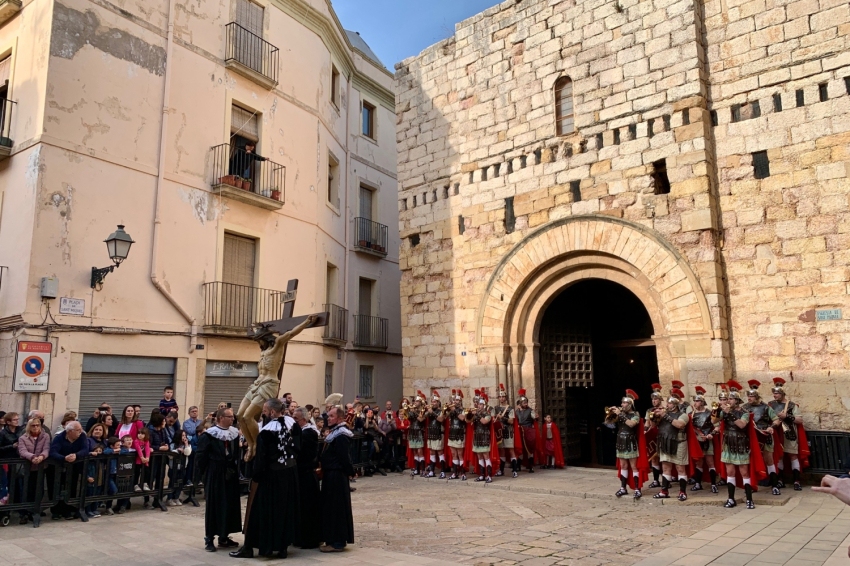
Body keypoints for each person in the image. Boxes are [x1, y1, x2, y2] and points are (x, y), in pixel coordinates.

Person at [237, 316, 317, 460]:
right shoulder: (263, 352)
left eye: (259, 339)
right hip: (257, 384)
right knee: (240, 416)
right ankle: (250, 444)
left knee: (248, 416)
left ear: (265, 338)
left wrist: (307, 322)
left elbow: (291, 333)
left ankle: (257, 445)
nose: (257, 342)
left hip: (269, 384)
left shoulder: (278, 345)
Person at [231, 398, 301, 558]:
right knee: (284, 511)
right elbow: (298, 447)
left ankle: (263, 546)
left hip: (271, 478)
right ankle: (282, 546)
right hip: (289, 473)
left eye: (264, 410)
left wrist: (255, 476)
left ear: (272, 412)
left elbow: (262, 458)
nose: (262, 413)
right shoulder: (293, 425)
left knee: (263, 512)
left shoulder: (266, 432)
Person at [196, 407, 241, 552]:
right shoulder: (209, 436)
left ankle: (224, 535)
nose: (233, 419)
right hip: (215, 473)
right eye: (230, 417)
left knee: (229, 503)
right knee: (215, 504)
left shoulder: (234, 434)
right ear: (221, 418)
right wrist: (206, 475)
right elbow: (201, 457)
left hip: (230, 473)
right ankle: (209, 538)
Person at [712, 380, 756, 509]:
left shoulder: (744, 413)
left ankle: (749, 499)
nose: (728, 401)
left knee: (744, 473)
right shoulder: (724, 411)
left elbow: (742, 425)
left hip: (740, 443)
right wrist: (717, 410)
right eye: (728, 399)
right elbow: (713, 420)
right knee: (730, 472)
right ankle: (731, 499)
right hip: (728, 444)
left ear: (736, 401)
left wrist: (729, 413)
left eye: (731, 399)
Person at [319, 406, 355, 553]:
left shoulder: (341, 435)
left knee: (337, 509)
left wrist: (350, 472)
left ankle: (337, 541)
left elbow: (343, 457)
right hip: (330, 475)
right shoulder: (334, 433)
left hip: (337, 476)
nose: (329, 418)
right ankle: (331, 539)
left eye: (332, 416)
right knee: (330, 508)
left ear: (340, 418)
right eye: (328, 416)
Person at [769, 376, 808, 491]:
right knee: (779, 456)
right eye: (774, 393)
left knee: (792, 455)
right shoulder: (770, 405)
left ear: (782, 394)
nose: (775, 395)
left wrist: (787, 416)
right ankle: (780, 480)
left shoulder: (792, 405)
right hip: (776, 432)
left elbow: (799, 420)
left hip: (789, 432)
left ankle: (796, 480)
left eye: (777, 394)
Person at [743, 380, 782, 495]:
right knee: (749, 462)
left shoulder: (766, 408)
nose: (749, 398)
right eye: (748, 396)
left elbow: (776, 420)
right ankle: (751, 486)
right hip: (750, 437)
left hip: (764, 436)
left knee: (769, 461)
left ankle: (774, 485)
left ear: (757, 397)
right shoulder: (744, 408)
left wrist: (772, 427)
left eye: (751, 396)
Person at [651, 388, 691, 501]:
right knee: (665, 467)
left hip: (679, 443)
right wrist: (654, 417)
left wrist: (665, 416)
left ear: (675, 405)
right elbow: (653, 426)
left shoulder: (683, 415)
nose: (667, 405)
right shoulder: (663, 414)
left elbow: (680, 425)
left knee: (680, 468)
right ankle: (664, 491)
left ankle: (682, 492)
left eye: (669, 403)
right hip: (665, 442)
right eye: (667, 402)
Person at [294, 407, 322, 549]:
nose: (293, 421)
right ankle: (300, 536)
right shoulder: (301, 432)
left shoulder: (308, 433)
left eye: (296, 419)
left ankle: (309, 538)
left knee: (308, 507)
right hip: (301, 474)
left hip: (307, 474)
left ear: (304, 420)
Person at [48, 421, 88, 519]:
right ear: (69, 431)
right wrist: (64, 458)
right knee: (55, 488)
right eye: (78, 430)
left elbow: (85, 449)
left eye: (80, 429)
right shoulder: (59, 438)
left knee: (71, 487)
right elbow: (53, 452)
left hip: (73, 467)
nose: (80, 431)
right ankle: (55, 511)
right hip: (57, 467)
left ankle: (68, 510)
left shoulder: (82, 436)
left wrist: (76, 455)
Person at [17, 418, 50, 524]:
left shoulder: (45, 436)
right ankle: (25, 512)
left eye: (37, 425)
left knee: (38, 489)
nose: (35, 427)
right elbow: (22, 451)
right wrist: (32, 457)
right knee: (26, 490)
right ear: (29, 426)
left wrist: (41, 457)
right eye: (33, 425)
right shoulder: (23, 438)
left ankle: (36, 510)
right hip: (27, 468)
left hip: (40, 467)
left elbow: (46, 448)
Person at [612, 390, 645, 499]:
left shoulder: (635, 414)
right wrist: (612, 414)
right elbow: (608, 422)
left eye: (625, 403)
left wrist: (620, 414)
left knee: (634, 466)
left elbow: (631, 424)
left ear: (630, 404)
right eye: (622, 403)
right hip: (620, 440)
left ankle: (637, 489)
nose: (622, 405)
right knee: (623, 466)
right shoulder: (621, 414)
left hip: (631, 441)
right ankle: (623, 488)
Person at [690, 386, 719, 493]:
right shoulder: (691, 414)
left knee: (710, 462)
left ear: (702, 402)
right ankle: (698, 483)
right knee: (698, 463)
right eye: (694, 401)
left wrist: (711, 434)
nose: (695, 403)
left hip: (707, 440)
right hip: (697, 441)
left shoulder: (710, 413)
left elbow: (717, 426)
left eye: (697, 401)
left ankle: (713, 484)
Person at [471, 393, 497, 483]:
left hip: (485, 436)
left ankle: (489, 475)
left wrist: (477, 414)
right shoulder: (475, 413)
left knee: (486, 456)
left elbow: (484, 421)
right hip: (477, 436)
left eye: (481, 404)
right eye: (478, 404)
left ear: (484, 405)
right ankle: (481, 475)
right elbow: (468, 420)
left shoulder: (487, 414)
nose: (479, 406)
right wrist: (470, 415)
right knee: (479, 456)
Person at [495, 384, 519, 478]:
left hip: (508, 431)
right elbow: (494, 419)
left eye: (503, 396)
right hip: (500, 432)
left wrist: (503, 418)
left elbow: (511, 421)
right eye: (500, 396)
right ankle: (501, 470)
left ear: (505, 397)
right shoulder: (496, 408)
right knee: (501, 451)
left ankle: (514, 470)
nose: (501, 398)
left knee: (511, 450)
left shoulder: (510, 408)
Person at [446, 389, 470, 480]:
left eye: (458, 400)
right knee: (453, 453)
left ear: (461, 401)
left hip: (459, 434)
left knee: (460, 454)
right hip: (452, 434)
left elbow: (463, 418)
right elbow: (444, 416)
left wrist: (455, 410)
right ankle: (455, 472)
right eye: (455, 400)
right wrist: (447, 409)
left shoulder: (463, 410)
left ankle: (463, 473)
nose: (456, 402)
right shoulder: (451, 410)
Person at [424, 391, 447, 478]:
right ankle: (432, 471)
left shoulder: (441, 411)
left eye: (434, 402)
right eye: (432, 402)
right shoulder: (429, 411)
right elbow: (421, 418)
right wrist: (425, 410)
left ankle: (442, 471)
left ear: (438, 403)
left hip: (438, 433)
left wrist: (432, 413)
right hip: (431, 434)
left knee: (440, 452)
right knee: (432, 452)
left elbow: (441, 419)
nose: (433, 403)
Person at [645, 383, 664, 487]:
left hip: (663, 435)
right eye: (652, 399)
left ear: (660, 399)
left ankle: (667, 480)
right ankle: (656, 480)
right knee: (654, 458)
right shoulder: (649, 411)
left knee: (665, 459)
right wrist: (644, 432)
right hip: (653, 436)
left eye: (656, 399)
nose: (654, 401)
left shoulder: (665, 410)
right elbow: (647, 424)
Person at [516, 389, 539, 472]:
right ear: (521, 403)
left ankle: (531, 465)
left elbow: (535, 418)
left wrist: (536, 417)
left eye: (526, 402)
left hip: (528, 431)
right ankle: (518, 465)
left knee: (530, 449)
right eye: (523, 402)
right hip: (520, 431)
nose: (525, 403)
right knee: (520, 448)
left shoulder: (530, 411)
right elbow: (517, 421)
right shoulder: (517, 411)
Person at [167, 430, 192, 506]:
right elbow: (170, 455)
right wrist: (177, 450)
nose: (184, 437)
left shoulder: (187, 445)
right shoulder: (173, 444)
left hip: (182, 467)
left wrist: (186, 444)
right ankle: (170, 498)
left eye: (185, 435)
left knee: (180, 483)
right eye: (182, 435)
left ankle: (176, 497)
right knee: (172, 483)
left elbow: (188, 453)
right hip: (173, 467)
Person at [406, 392, 428, 476]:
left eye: (417, 401)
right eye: (415, 401)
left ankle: (423, 469)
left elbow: (421, 419)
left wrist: (414, 411)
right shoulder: (412, 410)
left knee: (420, 451)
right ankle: (416, 469)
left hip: (419, 431)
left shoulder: (423, 410)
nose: (415, 403)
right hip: (412, 431)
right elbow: (407, 417)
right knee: (415, 451)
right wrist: (408, 410)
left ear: (421, 403)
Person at [183, 406, 202, 485]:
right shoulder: (186, 423)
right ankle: (188, 480)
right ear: (189, 413)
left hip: (200, 445)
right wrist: (199, 429)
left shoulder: (201, 421)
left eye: (196, 411)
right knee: (190, 465)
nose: (194, 412)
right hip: (191, 446)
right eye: (193, 411)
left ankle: (198, 480)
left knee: (199, 465)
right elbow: (191, 431)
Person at [132, 427, 152, 493]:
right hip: (138, 459)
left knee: (147, 471)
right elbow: (138, 449)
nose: (140, 435)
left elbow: (147, 449)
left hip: (144, 460)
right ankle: (135, 485)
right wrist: (142, 457)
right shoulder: (136, 441)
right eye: (139, 433)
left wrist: (147, 457)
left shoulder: (146, 441)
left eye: (142, 434)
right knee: (137, 472)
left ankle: (145, 483)